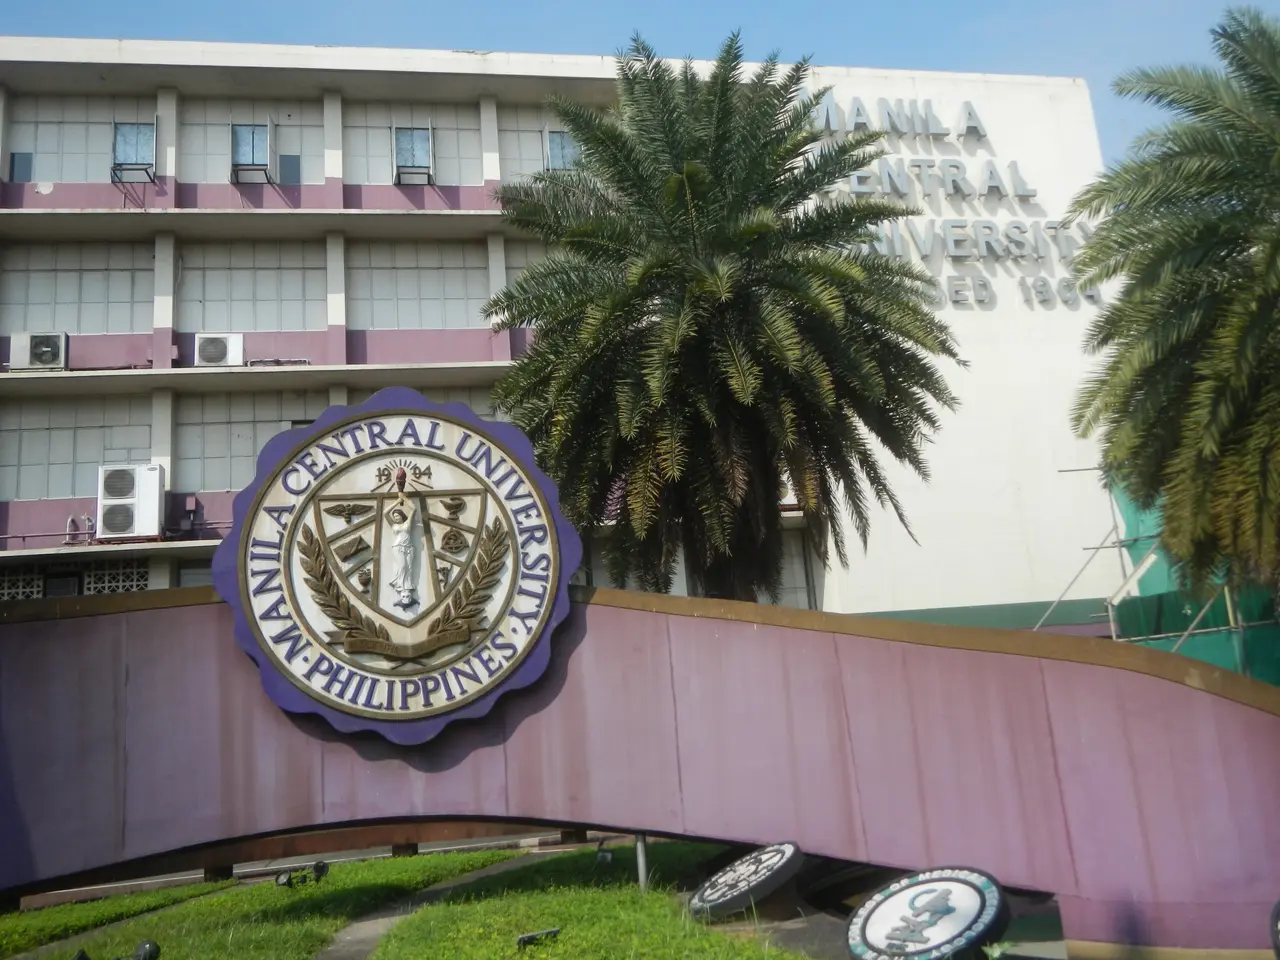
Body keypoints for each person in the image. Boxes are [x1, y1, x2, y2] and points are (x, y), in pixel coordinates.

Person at [385, 497, 417, 608]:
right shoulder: (394, 525)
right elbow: (385, 513)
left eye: (397, 516)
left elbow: (414, 509)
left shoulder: (408, 523)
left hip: (409, 547)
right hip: (398, 547)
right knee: (402, 566)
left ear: (402, 515)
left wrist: (404, 498)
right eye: (394, 517)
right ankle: (398, 585)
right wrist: (397, 502)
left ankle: (407, 588)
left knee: (409, 568)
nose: (396, 518)